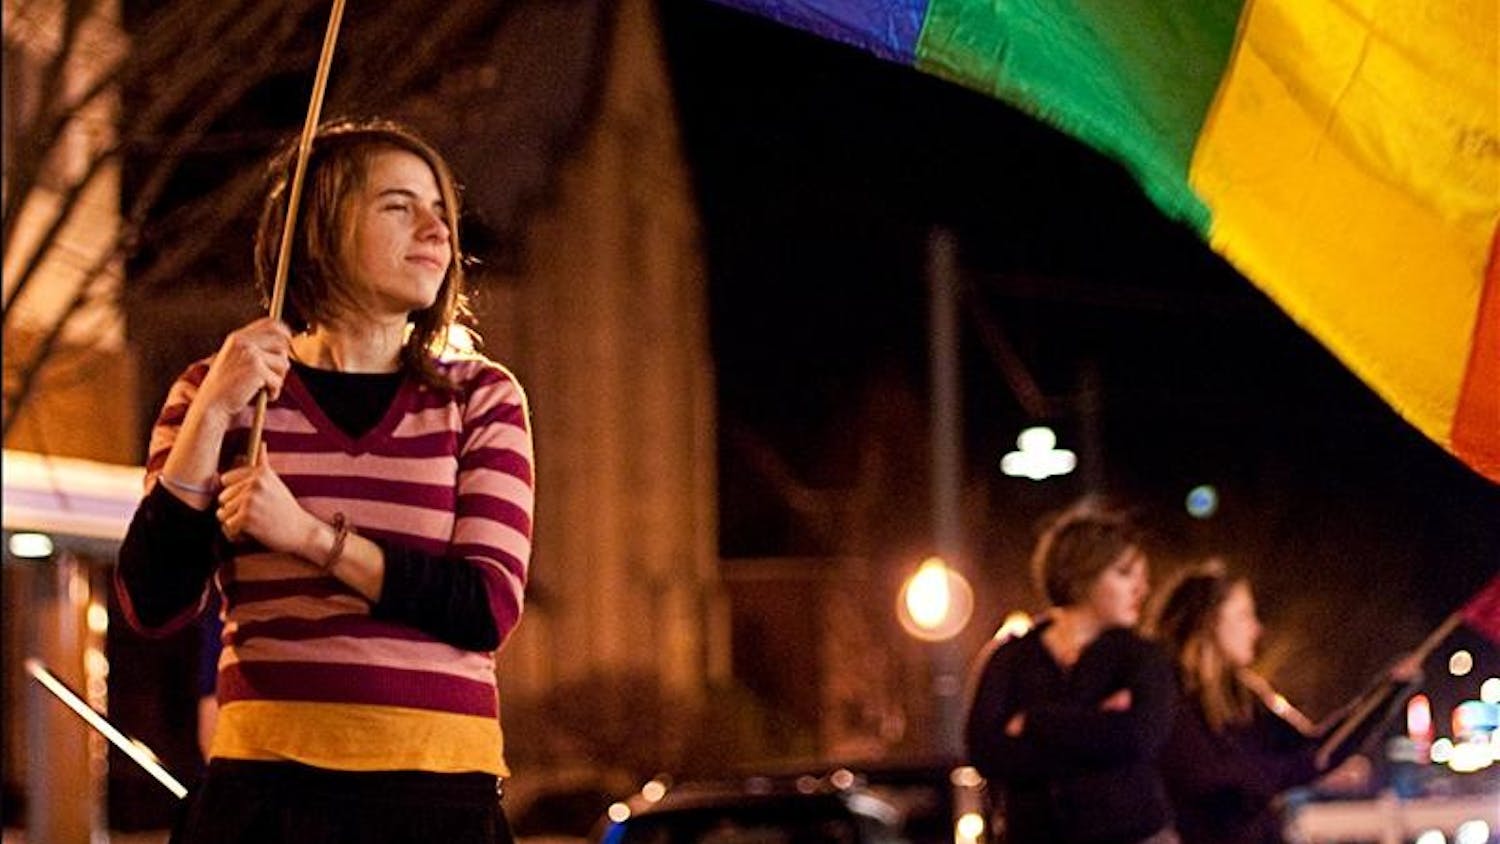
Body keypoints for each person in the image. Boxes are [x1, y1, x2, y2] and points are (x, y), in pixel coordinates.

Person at [115, 118, 535, 844]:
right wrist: (213, 412)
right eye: (399, 206)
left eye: (442, 210)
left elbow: (484, 606)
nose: (437, 229)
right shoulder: (215, 392)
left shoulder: (481, 398)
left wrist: (308, 537)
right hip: (263, 799)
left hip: (436, 804)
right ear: (317, 229)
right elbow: (153, 601)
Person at [1146, 560, 1418, 844]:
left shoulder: (1243, 696)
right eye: (1243, 615)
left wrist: (1386, 694)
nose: (1256, 629)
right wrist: (1292, 770)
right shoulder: (1168, 695)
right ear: (1209, 620)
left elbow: (1316, 750)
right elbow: (1214, 783)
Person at [965, 501, 1178, 844]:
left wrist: (1037, 722)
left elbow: (1140, 736)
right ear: (1082, 574)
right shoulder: (1011, 658)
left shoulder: (1142, 658)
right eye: (1125, 574)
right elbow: (987, 753)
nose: (1141, 589)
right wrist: (1096, 728)